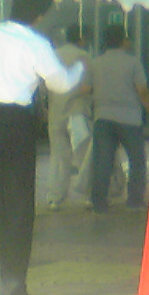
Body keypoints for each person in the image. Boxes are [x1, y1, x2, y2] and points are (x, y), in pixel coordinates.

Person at [0, 0, 85, 295]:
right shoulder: (35, 43)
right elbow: (61, 83)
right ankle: (12, 291)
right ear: (40, 14)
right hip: (14, 125)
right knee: (17, 210)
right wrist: (80, 68)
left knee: (0, 206)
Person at [89, 23, 149, 213]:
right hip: (129, 119)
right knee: (137, 161)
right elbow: (143, 91)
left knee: (102, 162)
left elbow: (87, 88)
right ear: (123, 41)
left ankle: (99, 202)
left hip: (102, 118)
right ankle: (134, 200)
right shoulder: (133, 62)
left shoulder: (95, 63)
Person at [43, 25, 92, 211]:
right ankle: (88, 195)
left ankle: (55, 197)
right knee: (83, 156)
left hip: (55, 113)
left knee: (58, 156)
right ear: (81, 39)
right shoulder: (84, 56)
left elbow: (43, 87)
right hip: (77, 113)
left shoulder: (52, 55)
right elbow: (88, 86)